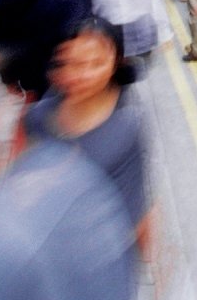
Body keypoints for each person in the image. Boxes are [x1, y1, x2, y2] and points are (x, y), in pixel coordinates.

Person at [23, 17, 151, 262]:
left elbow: (136, 206)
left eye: (96, 64)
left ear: (116, 63)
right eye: (72, 63)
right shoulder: (37, 117)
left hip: (98, 257)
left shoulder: (127, 126)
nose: (83, 75)